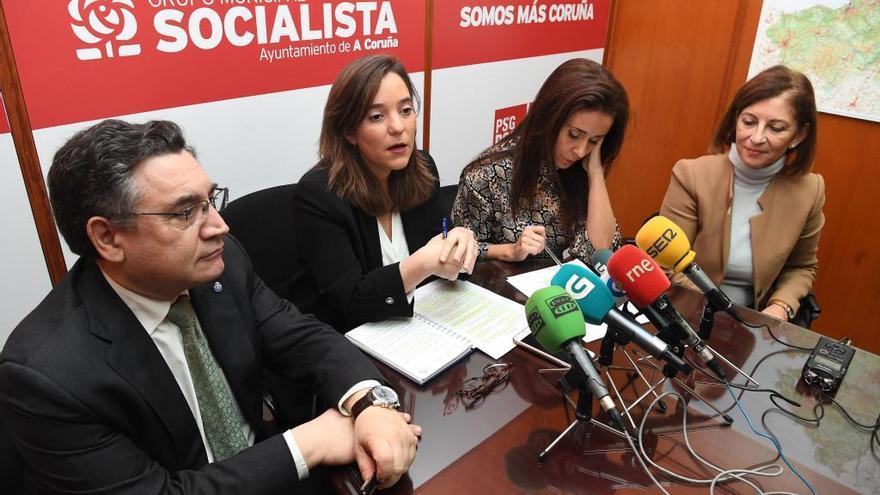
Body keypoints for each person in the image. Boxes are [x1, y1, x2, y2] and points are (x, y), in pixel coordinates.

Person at [0, 119, 420, 494]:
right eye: (185, 213)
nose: (219, 226)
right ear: (108, 238)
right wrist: (308, 443)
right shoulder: (47, 376)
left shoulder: (222, 264)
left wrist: (371, 403)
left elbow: (302, 338)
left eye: (210, 199)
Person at [291, 55, 477, 331]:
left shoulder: (423, 168)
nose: (398, 128)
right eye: (377, 116)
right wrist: (424, 261)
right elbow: (350, 303)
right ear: (349, 131)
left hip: (422, 329)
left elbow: (443, 241)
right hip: (354, 341)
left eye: (405, 110)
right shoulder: (319, 195)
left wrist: (458, 240)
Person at [660, 65, 824, 322]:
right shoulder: (691, 174)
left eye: (776, 128)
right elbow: (666, 264)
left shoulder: (810, 191)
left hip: (757, 327)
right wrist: (720, 317)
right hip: (688, 319)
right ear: (736, 119)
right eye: (748, 122)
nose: (756, 137)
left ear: (799, 134)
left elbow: (801, 267)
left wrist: (781, 306)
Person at [452, 58, 629, 263]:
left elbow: (601, 253)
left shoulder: (583, 170)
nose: (580, 150)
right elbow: (456, 251)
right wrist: (510, 251)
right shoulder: (488, 175)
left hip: (566, 291)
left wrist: (596, 174)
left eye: (594, 141)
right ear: (549, 117)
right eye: (573, 134)